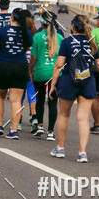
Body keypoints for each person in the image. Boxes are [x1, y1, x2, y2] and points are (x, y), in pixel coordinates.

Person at [49, 15, 99, 161]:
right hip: (87, 81)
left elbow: (59, 64)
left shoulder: (67, 42)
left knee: (64, 114)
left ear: (73, 27)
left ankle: (60, 148)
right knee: (83, 118)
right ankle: (82, 152)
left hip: (68, 81)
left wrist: (53, 84)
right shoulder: (92, 43)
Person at [0, 8, 33, 139]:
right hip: (21, 67)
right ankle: (13, 131)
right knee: (16, 100)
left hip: (2, 66)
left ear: (11, 17)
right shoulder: (27, 33)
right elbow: (27, 48)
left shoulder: (1, 31)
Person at [30, 10, 63, 139]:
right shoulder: (59, 38)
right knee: (53, 103)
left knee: (39, 99)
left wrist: (30, 71)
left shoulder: (37, 37)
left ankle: (40, 126)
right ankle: (50, 132)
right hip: (55, 74)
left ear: (42, 23)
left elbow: (33, 57)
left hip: (40, 72)